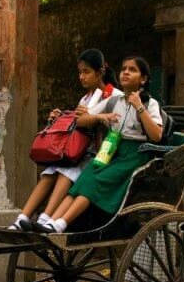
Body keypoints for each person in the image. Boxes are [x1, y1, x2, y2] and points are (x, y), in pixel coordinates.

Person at [34, 55, 163, 233]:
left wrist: (139, 107)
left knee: (95, 182)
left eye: (132, 70)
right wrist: (97, 116)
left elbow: (156, 135)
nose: (125, 72)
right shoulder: (113, 101)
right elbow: (80, 120)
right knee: (86, 177)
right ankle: (50, 221)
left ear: (143, 79)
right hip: (112, 148)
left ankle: (61, 224)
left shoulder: (150, 103)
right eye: (124, 68)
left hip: (136, 153)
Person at [9, 48, 122, 230]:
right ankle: (21, 218)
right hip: (80, 151)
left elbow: (116, 127)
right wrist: (61, 117)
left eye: (86, 72)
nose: (82, 77)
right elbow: (77, 125)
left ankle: (46, 219)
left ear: (99, 72)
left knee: (66, 171)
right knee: (50, 170)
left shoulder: (115, 96)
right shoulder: (85, 98)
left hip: (101, 153)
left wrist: (92, 117)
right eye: (80, 72)